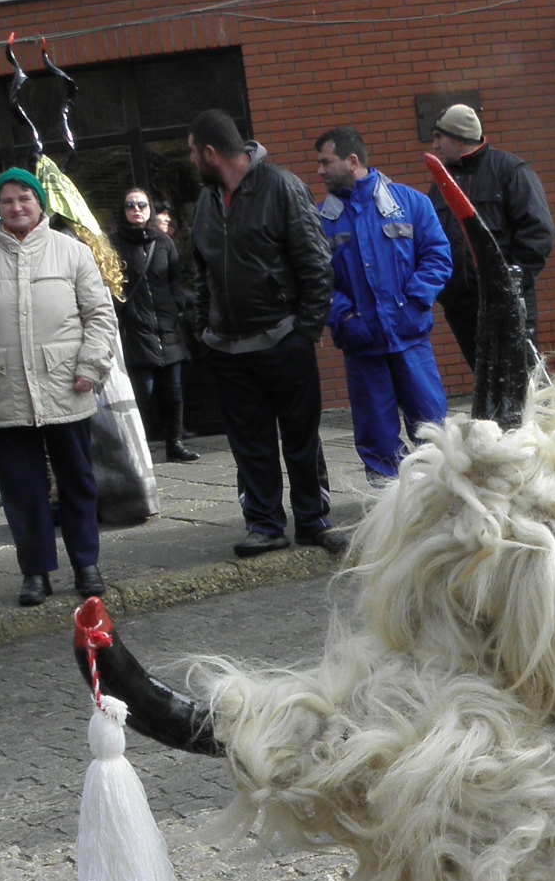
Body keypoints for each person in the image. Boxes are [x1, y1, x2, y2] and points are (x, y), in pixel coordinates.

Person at [0, 166, 119, 605]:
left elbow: (100, 316)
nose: (16, 207)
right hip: (2, 388)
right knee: (21, 488)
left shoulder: (72, 252)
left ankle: (86, 563)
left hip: (67, 384)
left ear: (39, 203)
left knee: (77, 480)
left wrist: (91, 365)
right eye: (6, 201)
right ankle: (35, 571)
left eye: (23, 199)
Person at [185, 110, 342, 559]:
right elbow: (201, 271)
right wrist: (205, 331)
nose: (191, 158)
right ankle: (265, 525)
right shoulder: (207, 202)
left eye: (193, 150)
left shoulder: (281, 187)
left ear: (210, 152)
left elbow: (316, 263)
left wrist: (305, 330)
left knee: (301, 437)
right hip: (228, 349)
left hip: (283, 340)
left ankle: (313, 521)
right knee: (250, 445)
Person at [314, 127, 453, 489]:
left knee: (432, 429)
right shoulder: (320, 220)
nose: (320, 171)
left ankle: (439, 496)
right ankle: (387, 509)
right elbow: (316, 278)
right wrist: (344, 316)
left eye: (325, 162)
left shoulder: (410, 203)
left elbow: (437, 256)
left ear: (352, 161)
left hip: (410, 339)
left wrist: (415, 302)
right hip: (363, 346)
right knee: (376, 437)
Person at [427, 104, 555, 367]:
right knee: (484, 378)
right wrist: (445, 291)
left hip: (507, 301)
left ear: (458, 137)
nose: (435, 145)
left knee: (521, 378)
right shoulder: (442, 183)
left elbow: (539, 231)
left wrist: (511, 282)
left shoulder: (510, 171)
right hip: (461, 305)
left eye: (439, 137)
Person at [118, 188, 201, 465]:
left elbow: (175, 279)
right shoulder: (116, 244)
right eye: (130, 205)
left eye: (141, 204)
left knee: (173, 392)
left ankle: (174, 444)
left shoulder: (163, 241)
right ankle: (140, 449)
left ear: (150, 208)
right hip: (138, 328)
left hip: (167, 327)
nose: (136, 209)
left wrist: (176, 304)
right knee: (144, 394)